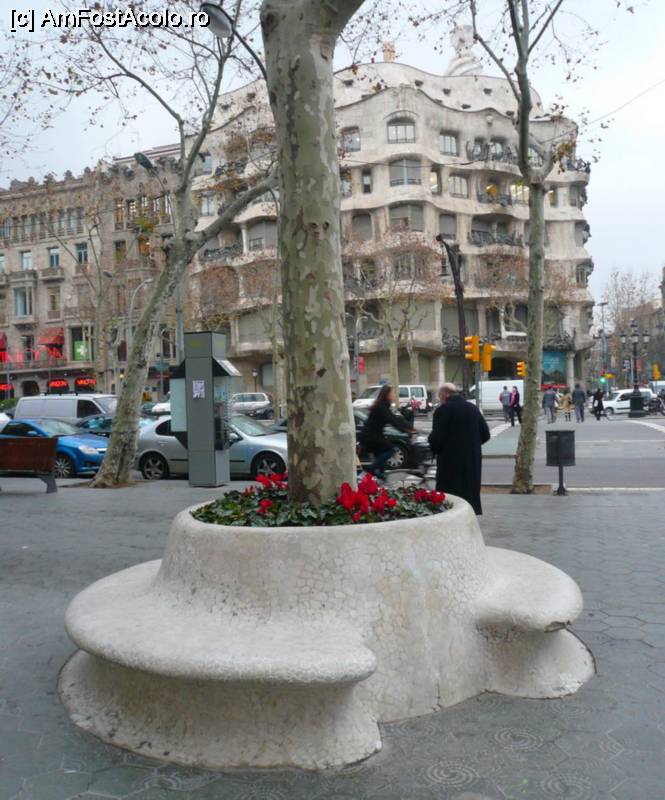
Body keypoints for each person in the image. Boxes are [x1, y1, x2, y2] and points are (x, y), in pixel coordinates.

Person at [428, 383, 490, 515]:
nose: (440, 399)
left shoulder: (443, 410)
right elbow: (486, 434)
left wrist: (434, 447)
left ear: (444, 394)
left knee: (450, 495)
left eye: (439, 396)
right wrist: (472, 445)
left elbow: (436, 438)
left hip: (450, 460)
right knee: (470, 492)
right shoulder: (473, 408)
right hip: (472, 459)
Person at [358, 385, 415, 479]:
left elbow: (395, 419)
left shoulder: (383, 405)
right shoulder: (381, 407)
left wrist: (409, 428)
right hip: (370, 437)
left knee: (381, 467)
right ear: (387, 395)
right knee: (392, 450)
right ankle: (371, 468)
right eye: (392, 393)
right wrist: (406, 430)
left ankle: (380, 479)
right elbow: (392, 420)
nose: (393, 395)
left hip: (372, 436)